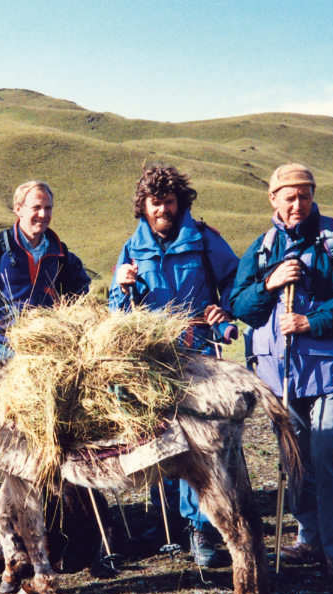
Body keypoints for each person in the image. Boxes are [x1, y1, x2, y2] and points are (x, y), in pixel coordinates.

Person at [229, 163, 333, 579]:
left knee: (328, 449)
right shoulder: (261, 248)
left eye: (306, 196)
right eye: (290, 197)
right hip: (279, 376)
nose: (298, 205)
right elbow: (240, 307)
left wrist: (311, 322)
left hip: (328, 370)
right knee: (294, 457)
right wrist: (270, 283)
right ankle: (309, 537)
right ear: (274, 200)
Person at [108, 163, 240, 567]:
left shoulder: (203, 240)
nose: (162, 209)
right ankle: (164, 521)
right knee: (155, 436)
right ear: (143, 206)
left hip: (197, 352)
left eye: (169, 201)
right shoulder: (132, 249)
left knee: (198, 441)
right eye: (155, 203)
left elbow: (236, 281)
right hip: (151, 360)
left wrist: (226, 310)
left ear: (180, 202)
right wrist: (121, 285)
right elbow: (116, 311)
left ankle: (200, 526)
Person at [0, 181, 91, 364]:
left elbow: (81, 300)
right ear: (18, 209)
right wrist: (16, 329)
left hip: (47, 351)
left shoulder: (63, 256)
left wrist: (60, 324)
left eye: (48, 208)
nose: (43, 214)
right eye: (36, 207)